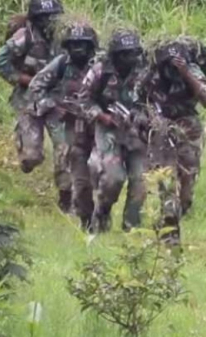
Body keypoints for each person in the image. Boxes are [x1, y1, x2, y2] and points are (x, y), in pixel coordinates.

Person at [135, 39, 206, 245]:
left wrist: (187, 73)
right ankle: (170, 234)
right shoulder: (151, 74)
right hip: (161, 126)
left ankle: (170, 220)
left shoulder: (192, 70)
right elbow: (137, 100)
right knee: (166, 181)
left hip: (188, 127)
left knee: (187, 190)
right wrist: (147, 120)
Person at [0, 0, 68, 209]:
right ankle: (24, 146)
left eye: (54, 17)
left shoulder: (65, 38)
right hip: (29, 99)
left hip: (56, 99)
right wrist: (27, 80)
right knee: (31, 157)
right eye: (45, 18)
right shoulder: (23, 37)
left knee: (65, 148)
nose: (50, 22)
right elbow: (0, 64)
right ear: (35, 20)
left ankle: (66, 195)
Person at [28, 21, 99, 230]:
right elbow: (36, 86)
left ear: (91, 46)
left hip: (94, 120)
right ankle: (66, 198)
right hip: (66, 119)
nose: (78, 49)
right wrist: (50, 103)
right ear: (67, 46)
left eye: (83, 44)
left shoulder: (99, 65)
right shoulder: (60, 64)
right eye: (74, 44)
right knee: (64, 158)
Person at [80, 29, 147, 233]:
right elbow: (83, 100)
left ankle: (131, 229)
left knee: (140, 182)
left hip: (136, 133)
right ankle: (102, 212)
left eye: (135, 53)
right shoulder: (100, 71)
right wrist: (102, 116)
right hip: (108, 130)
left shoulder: (145, 72)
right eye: (127, 54)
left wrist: (143, 116)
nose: (132, 58)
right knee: (112, 179)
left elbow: (154, 100)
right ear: (116, 55)